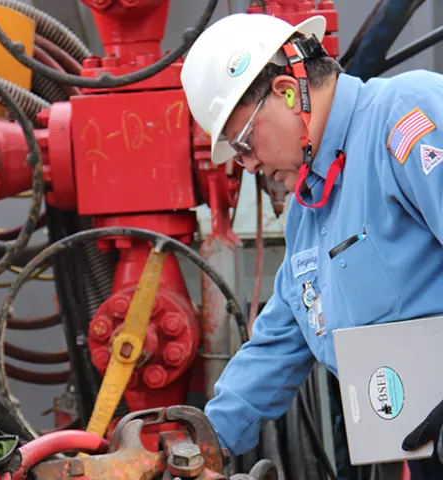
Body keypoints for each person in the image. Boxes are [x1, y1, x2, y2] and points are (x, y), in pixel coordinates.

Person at [180, 12, 443, 480]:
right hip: (419, 446)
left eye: (243, 144)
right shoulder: (310, 211)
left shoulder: (405, 116)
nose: (248, 164)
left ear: (285, 91)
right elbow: (280, 341)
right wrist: (198, 442)